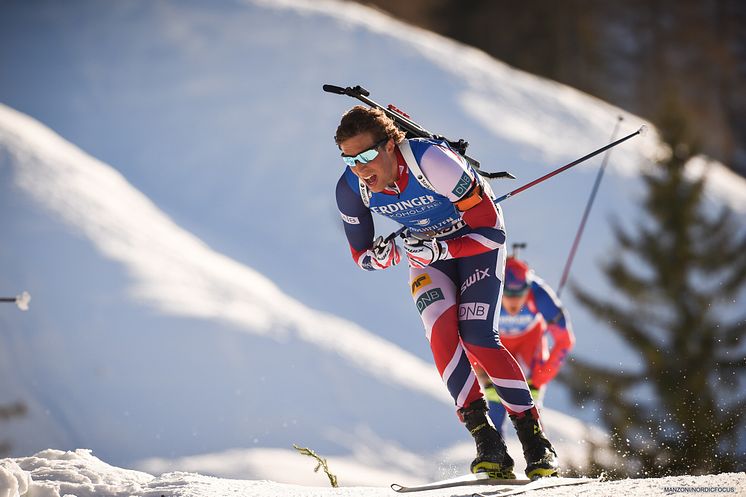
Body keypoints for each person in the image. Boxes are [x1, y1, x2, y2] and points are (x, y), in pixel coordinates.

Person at [333, 105, 559, 479]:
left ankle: (535, 441)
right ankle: (488, 442)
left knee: (478, 337)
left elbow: (492, 233)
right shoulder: (350, 187)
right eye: (350, 158)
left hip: (473, 245)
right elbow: (361, 256)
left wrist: (443, 248)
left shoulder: (433, 162)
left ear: (391, 145)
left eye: (369, 155)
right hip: (427, 255)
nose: (361, 167)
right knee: (441, 333)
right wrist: (384, 256)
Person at [474, 255, 575, 435]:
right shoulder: (487, 290)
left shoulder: (540, 295)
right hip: (497, 344)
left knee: (531, 408)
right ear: (500, 288)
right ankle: (496, 455)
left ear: (528, 289)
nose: (514, 301)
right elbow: (468, 334)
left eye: (520, 294)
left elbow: (565, 340)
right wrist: (480, 371)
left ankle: (542, 456)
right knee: (495, 403)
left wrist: (539, 379)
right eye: (509, 294)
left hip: (529, 345)